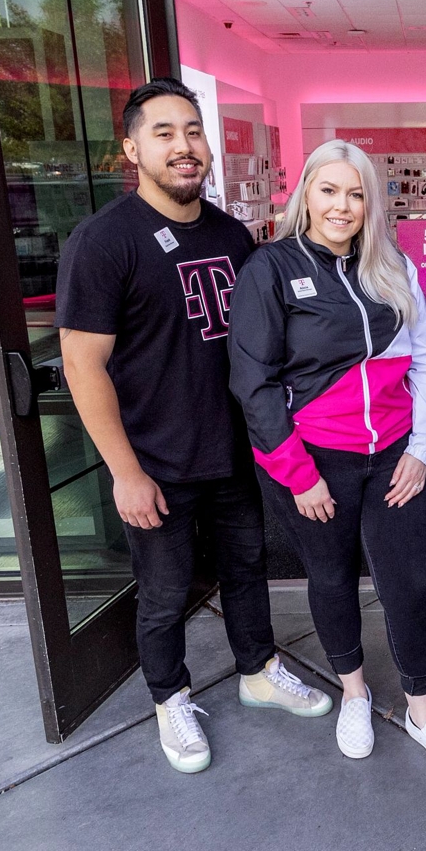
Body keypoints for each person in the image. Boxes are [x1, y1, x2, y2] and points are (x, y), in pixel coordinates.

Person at [56, 77, 331, 776]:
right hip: (157, 462)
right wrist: (125, 472)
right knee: (166, 592)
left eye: (193, 131)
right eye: (164, 133)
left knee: (246, 571)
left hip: (236, 452)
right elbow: (83, 367)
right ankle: (168, 696)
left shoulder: (231, 234)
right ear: (132, 148)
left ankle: (257, 669)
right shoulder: (102, 242)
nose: (184, 147)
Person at [228, 140, 426, 778]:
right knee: (331, 578)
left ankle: (423, 713)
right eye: (329, 190)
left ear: (372, 204)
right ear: (305, 192)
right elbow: (253, 385)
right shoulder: (271, 269)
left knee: (411, 583)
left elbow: (425, 361)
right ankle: (355, 695)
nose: (342, 205)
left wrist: (421, 450)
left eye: (356, 193)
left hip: (393, 457)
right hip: (315, 462)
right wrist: (299, 474)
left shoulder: (394, 268)